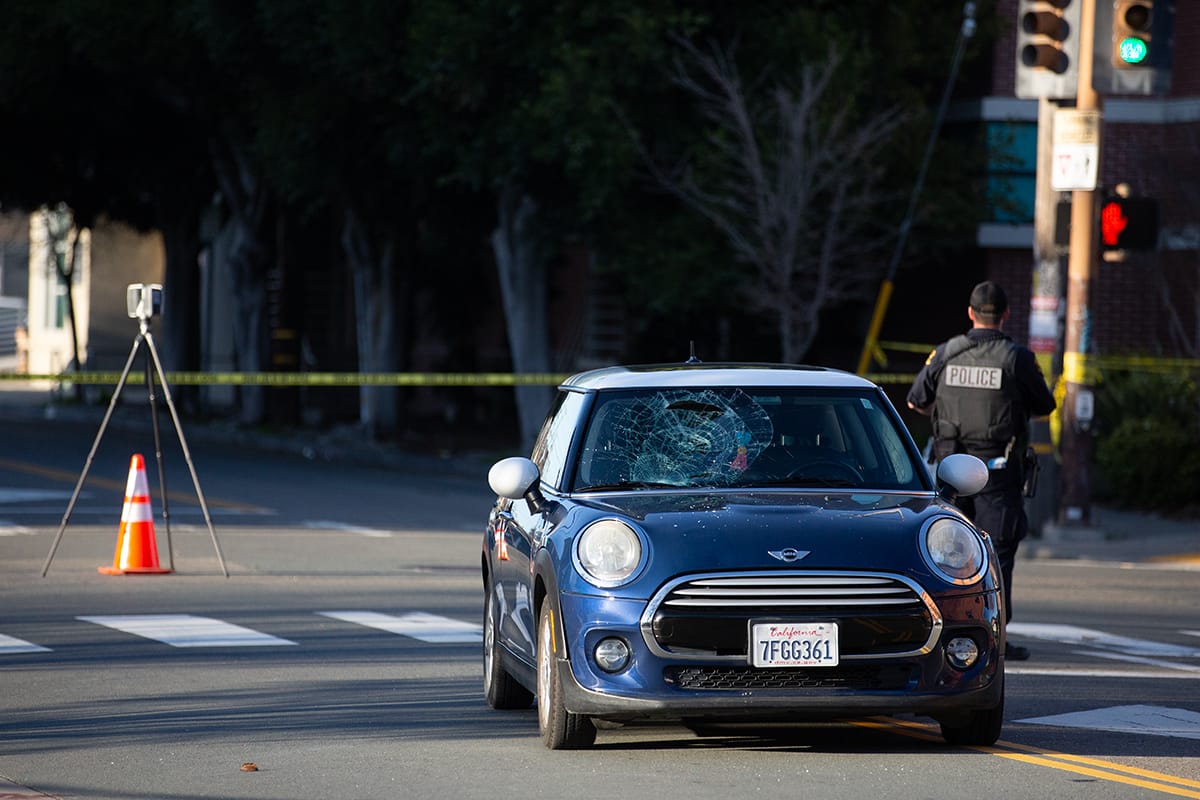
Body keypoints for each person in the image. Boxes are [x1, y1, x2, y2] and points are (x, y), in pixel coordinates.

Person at [906, 280, 1056, 661]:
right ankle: (995, 637)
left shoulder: (945, 353)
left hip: (948, 473)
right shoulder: (1016, 358)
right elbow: (1045, 405)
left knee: (945, 553)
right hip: (998, 472)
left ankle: (948, 635)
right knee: (998, 552)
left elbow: (915, 401)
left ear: (970, 313)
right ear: (1005, 315)